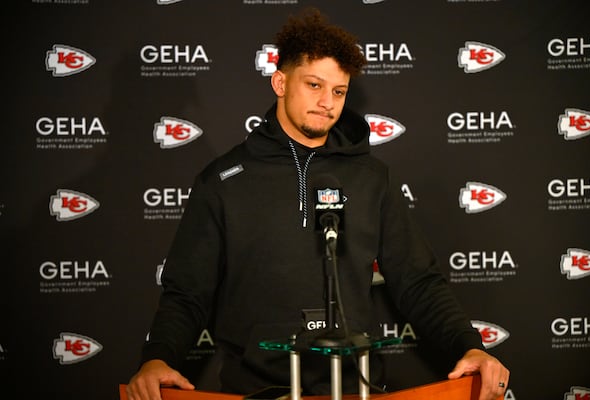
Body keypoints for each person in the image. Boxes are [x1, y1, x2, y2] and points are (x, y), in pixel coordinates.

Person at [127, 8, 509, 400]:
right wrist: (158, 356)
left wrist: (470, 345)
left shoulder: (370, 177)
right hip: (258, 390)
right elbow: (187, 292)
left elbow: (418, 281)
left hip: (356, 387)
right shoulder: (222, 180)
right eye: (313, 85)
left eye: (338, 91)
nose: (327, 102)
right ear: (280, 81)